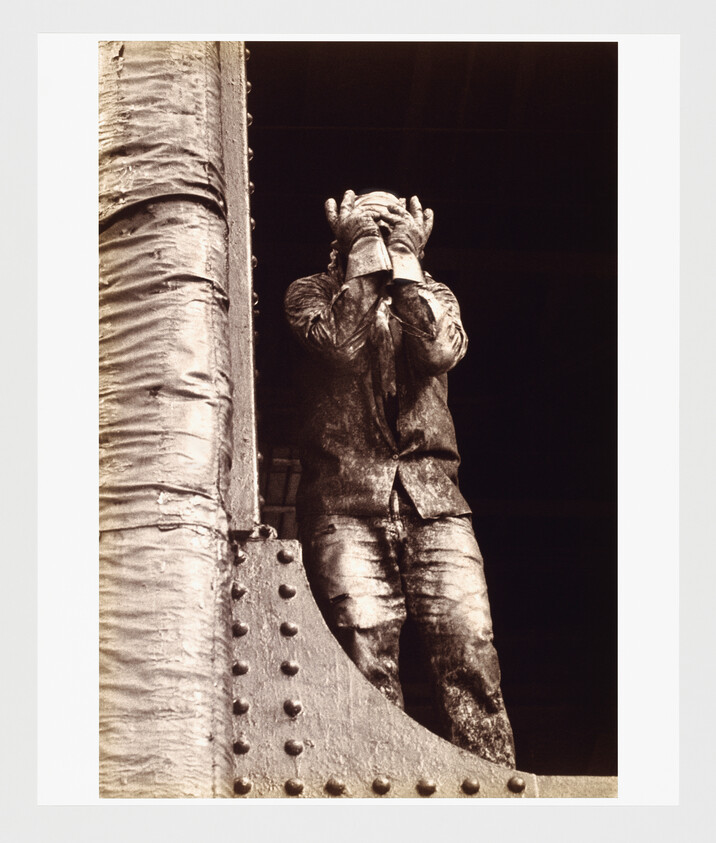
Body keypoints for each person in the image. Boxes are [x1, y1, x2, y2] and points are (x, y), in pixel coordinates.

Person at [284, 189, 516, 767]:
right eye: (370, 225)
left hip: (434, 503)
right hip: (346, 503)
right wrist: (363, 251)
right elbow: (338, 346)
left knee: (468, 641)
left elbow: (438, 351)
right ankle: (372, 777)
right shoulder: (310, 294)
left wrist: (408, 267)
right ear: (340, 236)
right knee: (364, 643)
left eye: (392, 227)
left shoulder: (435, 296)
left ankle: (491, 780)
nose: (383, 239)